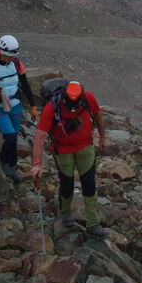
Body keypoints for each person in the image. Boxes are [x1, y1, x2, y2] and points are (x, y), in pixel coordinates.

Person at [31, 80, 108, 238]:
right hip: (62, 149)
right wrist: (37, 163)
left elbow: (97, 113)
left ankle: (93, 223)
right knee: (67, 182)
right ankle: (65, 212)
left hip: (85, 147)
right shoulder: (52, 107)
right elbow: (39, 136)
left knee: (89, 183)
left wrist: (102, 135)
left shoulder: (87, 98)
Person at [0, 35, 36, 183]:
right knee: (10, 135)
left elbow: (25, 86)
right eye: (7, 56)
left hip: (15, 105)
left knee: (13, 137)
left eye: (12, 56)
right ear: (0, 52)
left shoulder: (17, 65)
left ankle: (13, 166)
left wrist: (33, 106)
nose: (10, 59)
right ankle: (5, 163)